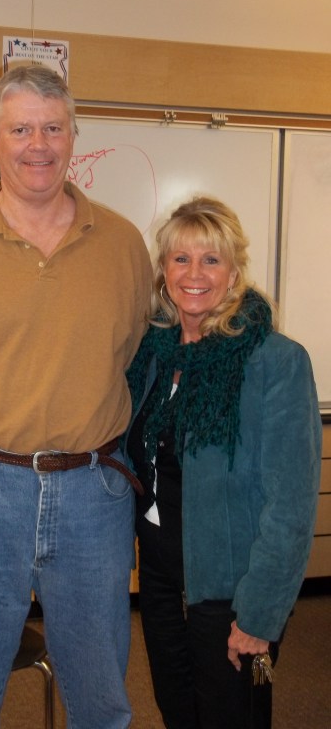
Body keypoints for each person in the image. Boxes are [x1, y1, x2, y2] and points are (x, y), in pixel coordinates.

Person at [0, 65, 152, 729]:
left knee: (102, 698)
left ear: (73, 137)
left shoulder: (124, 244)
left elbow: (125, 353)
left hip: (93, 492)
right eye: (20, 130)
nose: (37, 145)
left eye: (52, 128)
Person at [124, 196, 322, 729]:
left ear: (234, 273)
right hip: (162, 582)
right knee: (177, 713)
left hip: (232, 594)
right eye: (181, 259)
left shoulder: (275, 361)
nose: (194, 274)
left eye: (211, 259)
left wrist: (260, 614)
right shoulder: (152, 354)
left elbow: (291, 506)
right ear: (164, 271)